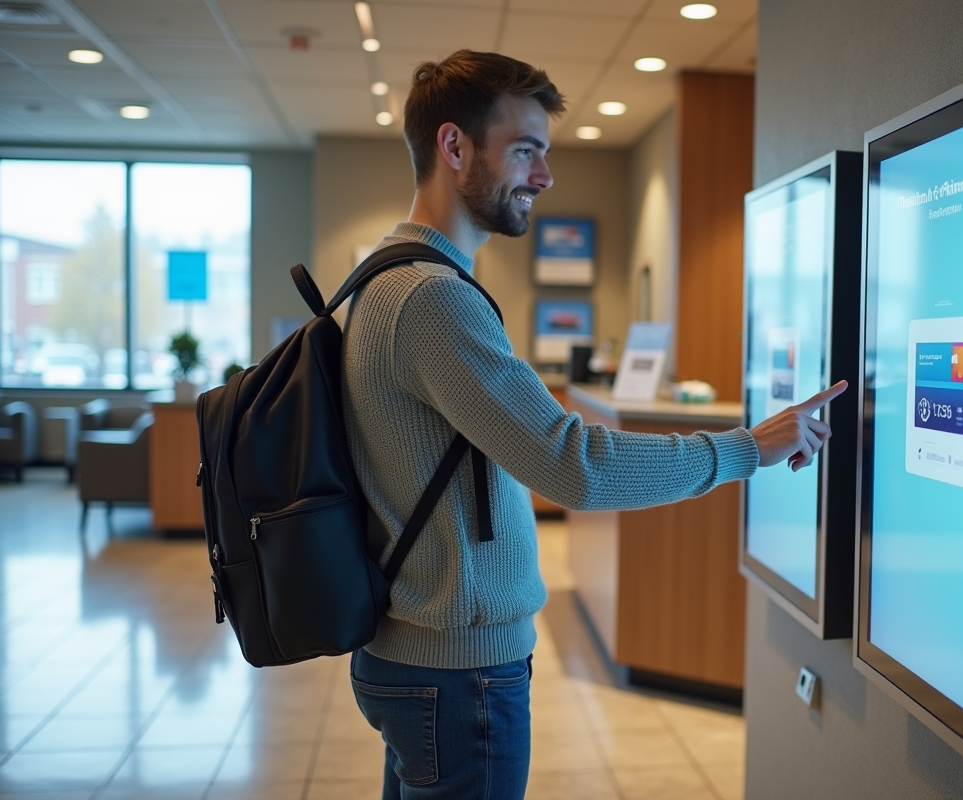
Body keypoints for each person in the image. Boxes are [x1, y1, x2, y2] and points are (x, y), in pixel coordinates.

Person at [342, 49, 847, 800]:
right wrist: (747, 449)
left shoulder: (384, 282)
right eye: (525, 151)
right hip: (457, 672)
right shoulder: (430, 300)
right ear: (454, 147)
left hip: (418, 658)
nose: (544, 176)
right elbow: (574, 465)